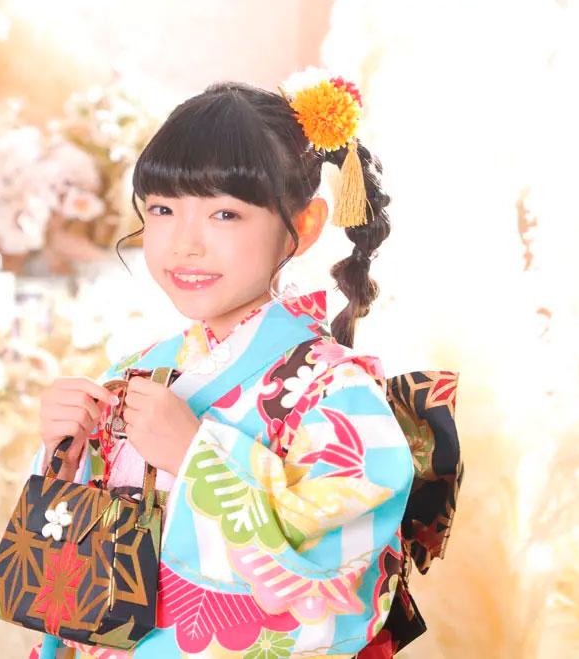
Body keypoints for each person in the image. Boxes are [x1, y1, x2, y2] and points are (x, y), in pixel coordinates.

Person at [31, 73, 459, 658]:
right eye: (162, 208)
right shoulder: (138, 372)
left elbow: (333, 580)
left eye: (225, 214)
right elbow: (74, 583)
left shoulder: (338, 392)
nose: (185, 243)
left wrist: (195, 457)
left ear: (303, 226)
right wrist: (65, 457)